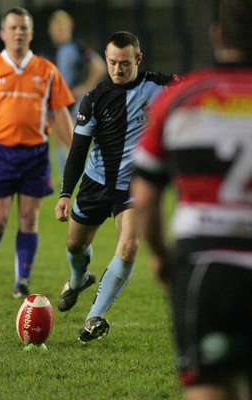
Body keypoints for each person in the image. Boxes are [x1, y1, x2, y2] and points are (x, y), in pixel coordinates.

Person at [131, 0, 252, 399]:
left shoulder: (183, 97)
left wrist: (160, 254)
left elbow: (144, 194)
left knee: (210, 385)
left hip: (206, 265)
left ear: (217, 35)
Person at [55, 31, 180, 343]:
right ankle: (78, 279)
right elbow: (78, 150)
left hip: (134, 188)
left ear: (137, 59)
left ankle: (93, 317)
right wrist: (65, 193)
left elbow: (193, 89)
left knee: (128, 246)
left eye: (124, 63)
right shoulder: (95, 99)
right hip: (96, 183)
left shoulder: (160, 85)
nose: (118, 69)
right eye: (112, 63)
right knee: (75, 245)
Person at [0, 7, 74, 298]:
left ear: (31, 33)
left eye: (23, 28)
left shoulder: (46, 71)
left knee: (29, 218)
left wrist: (75, 149)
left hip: (36, 155)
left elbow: (60, 113)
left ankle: (21, 281)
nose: (18, 33)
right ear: (3, 33)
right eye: (13, 28)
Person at [42, 10, 107, 181]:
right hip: (55, 101)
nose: (58, 31)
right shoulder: (48, 51)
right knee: (57, 136)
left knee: (70, 136)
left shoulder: (77, 47)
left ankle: (84, 175)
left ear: (69, 28)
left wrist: (86, 87)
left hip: (74, 99)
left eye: (62, 27)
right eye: (55, 27)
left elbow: (99, 66)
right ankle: (67, 177)